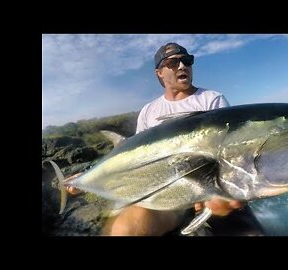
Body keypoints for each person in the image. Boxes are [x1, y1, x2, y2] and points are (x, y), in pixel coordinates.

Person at [65, 42, 244, 236]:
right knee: (124, 230)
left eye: (187, 60)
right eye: (173, 63)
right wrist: (86, 178)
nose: (183, 66)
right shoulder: (149, 111)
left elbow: (227, 149)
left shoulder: (211, 99)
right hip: (165, 192)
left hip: (210, 188)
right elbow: (135, 158)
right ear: (159, 72)